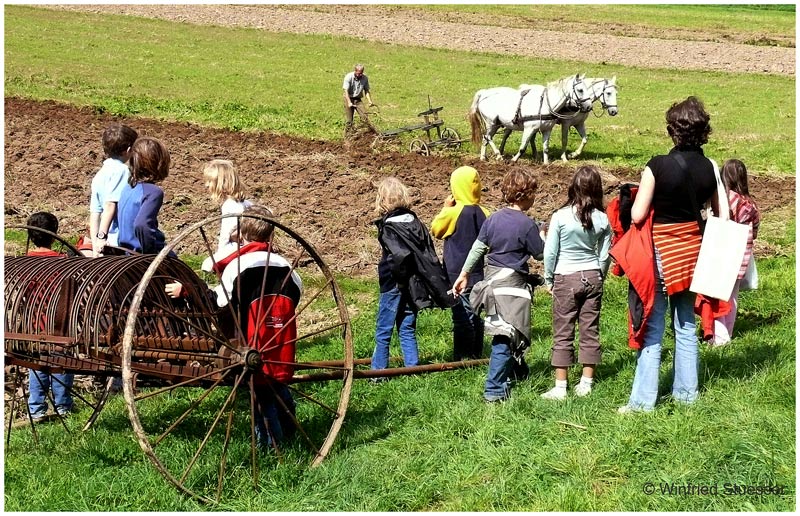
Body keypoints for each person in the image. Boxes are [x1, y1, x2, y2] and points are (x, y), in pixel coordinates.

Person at [612, 96, 720, 414]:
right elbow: (714, 211)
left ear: (673, 131)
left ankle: (643, 402)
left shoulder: (657, 165)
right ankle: (687, 396)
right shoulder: (709, 168)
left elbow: (637, 214)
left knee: (653, 325)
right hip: (692, 255)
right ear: (702, 132)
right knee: (686, 325)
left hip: (660, 253)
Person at [165, 205, 300, 449]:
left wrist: (187, 290)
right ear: (270, 234)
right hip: (280, 342)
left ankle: (272, 448)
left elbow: (219, 304)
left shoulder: (239, 267)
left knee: (262, 398)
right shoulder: (287, 266)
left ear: (243, 234)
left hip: (252, 343)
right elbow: (296, 297)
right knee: (277, 385)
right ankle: (292, 429)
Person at [453, 169, 545, 403]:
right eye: (533, 194)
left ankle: (517, 373)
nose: (534, 198)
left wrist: (464, 274)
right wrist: (544, 235)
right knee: (505, 337)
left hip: (492, 287)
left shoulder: (492, 219)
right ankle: (494, 390)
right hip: (511, 288)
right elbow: (541, 254)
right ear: (525, 195)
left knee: (507, 331)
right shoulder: (527, 225)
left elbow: (478, 248)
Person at [372, 177, 454, 380]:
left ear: (382, 200)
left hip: (394, 283)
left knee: (384, 329)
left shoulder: (389, 227)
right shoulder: (415, 222)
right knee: (407, 326)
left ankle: (378, 374)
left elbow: (399, 256)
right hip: (414, 283)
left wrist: (399, 279)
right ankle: (412, 369)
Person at [540, 165, 611, 400]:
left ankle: (560, 387)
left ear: (573, 187)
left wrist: (549, 278)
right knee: (590, 330)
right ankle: (586, 383)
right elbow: (604, 255)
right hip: (592, 275)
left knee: (563, 330)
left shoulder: (560, 216)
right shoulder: (603, 219)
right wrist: (599, 275)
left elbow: (550, 252)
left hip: (565, 277)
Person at [430, 165, 490, 361]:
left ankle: (461, 357)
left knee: (461, 316)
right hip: (478, 273)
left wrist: (445, 208)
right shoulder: (485, 212)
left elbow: (436, 230)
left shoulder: (453, 213)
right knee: (476, 314)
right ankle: (477, 353)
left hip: (456, 274)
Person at [25, 211, 74, 422]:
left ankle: (36, 409)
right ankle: (63, 406)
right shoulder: (63, 262)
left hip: (34, 321)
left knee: (37, 363)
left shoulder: (25, 262)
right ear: (54, 235)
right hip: (59, 321)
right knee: (61, 360)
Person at [712, 158, 760, 346]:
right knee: (732, 297)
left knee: (717, 295)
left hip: (723, 253)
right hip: (741, 256)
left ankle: (719, 337)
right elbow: (755, 231)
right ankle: (727, 333)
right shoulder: (750, 203)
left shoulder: (726, 199)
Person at [89, 123, 138, 256]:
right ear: (128, 150)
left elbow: (95, 213)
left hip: (103, 244)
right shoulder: (122, 171)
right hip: (117, 240)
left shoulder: (100, 174)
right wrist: (102, 237)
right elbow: (111, 204)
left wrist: (95, 246)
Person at [117, 136, 171, 254]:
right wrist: (150, 253)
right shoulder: (153, 192)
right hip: (141, 253)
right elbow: (142, 224)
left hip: (126, 251)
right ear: (159, 163)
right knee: (181, 271)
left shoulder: (127, 188)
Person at [199, 159, 253, 271]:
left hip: (237, 248)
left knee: (207, 265)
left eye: (210, 181)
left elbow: (226, 234)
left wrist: (221, 253)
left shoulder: (229, 206)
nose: (206, 185)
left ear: (221, 183)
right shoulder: (247, 203)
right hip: (250, 247)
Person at [342, 64, 375, 134]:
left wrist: (370, 101)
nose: (360, 75)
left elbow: (366, 90)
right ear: (355, 71)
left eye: (361, 73)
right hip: (348, 98)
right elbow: (346, 91)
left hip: (358, 99)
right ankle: (347, 136)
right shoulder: (348, 77)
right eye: (358, 73)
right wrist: (349, 102)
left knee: (365, 117)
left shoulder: (365, 78)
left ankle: (365, 134)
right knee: (349, 120)